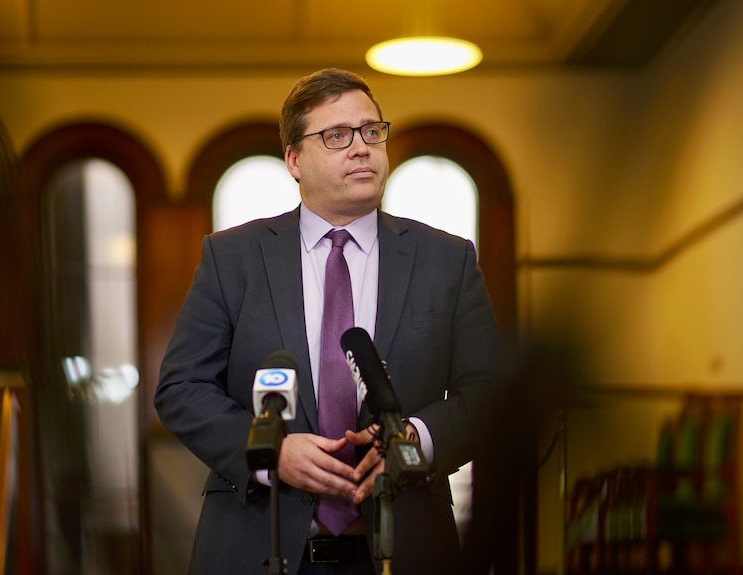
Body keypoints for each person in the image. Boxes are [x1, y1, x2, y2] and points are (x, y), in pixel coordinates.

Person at [155, 68, 505, 574]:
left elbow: (488, 391)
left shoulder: (446, 260)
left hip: (406, 547)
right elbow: (181, 387)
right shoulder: (232, 259)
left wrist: (413, 440)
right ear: (294, 160)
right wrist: (271, 452)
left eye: (371, 131)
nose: (361, 147)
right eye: (337, 136)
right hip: (259, 543)